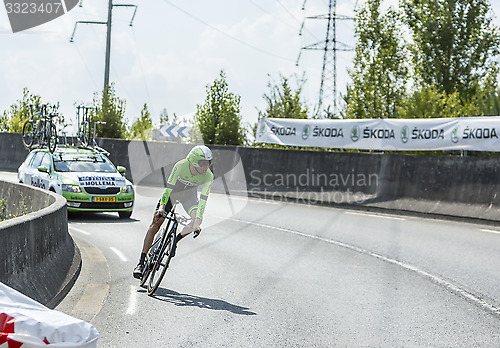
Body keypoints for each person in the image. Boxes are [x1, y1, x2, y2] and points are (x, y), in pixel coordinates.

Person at [133, 145, 214, 279]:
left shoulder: (208, 176)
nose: (206, 167)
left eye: (208, 163)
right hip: (171, 195)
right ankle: (140, 263)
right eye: (203, 163)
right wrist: (162, 207)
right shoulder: (181, 165)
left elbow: (203, 201)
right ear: (194, 161)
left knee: (196, 220)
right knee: (155, 223)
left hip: (189, 197)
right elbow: (168, 188)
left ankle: (175, 241)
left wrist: (197, 222)